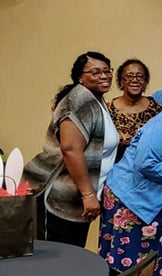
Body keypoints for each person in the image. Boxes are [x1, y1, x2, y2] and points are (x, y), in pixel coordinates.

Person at [99, 87, 162, 275]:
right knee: (128, 262)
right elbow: (146, 163)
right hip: (129, 199)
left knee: (156, 259)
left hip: (154, 201)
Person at [23, 51, 120, 247]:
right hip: (58, 197)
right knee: (57, 261)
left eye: (107, 71)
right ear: (80, 77)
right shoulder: (79, 100)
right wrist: (88, 194)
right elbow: (70, 149)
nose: (104, 76)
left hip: (74, 200)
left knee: (71, 259)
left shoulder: (96, 99)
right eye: (95, 72)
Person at [107, 58, 162, 162]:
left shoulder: (156, 109)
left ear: (145, 82)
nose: (135, 80)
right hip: (115, 168)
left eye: (140, 76)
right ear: (121, 81)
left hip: (148, 168)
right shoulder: (108, 109)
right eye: (129, 76)